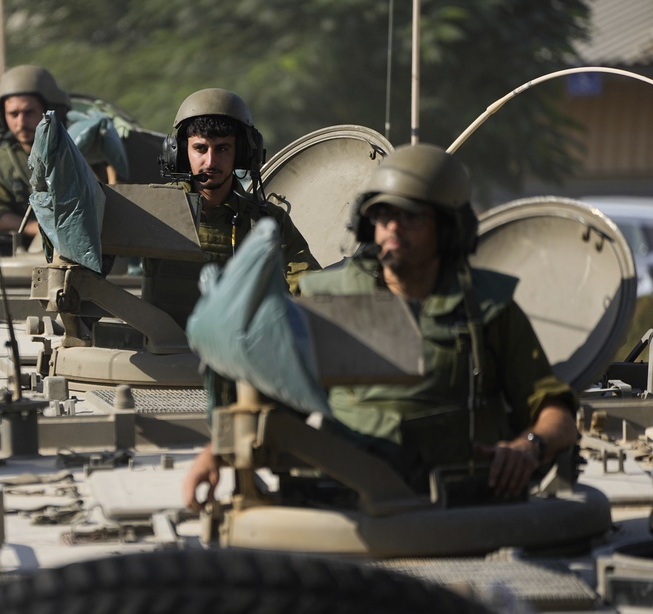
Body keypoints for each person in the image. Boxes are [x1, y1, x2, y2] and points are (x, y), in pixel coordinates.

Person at [183, 142, 578, 509]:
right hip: (349, 502)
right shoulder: (327, 299)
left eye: (410, 217)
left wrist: (530, 445)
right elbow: (276, 398)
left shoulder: (488, 308)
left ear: (447, 228)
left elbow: (555, 411)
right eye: (383, 215)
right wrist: (214, 452)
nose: (392, 228)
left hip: (463, 506)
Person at [147, 88, 319, 327]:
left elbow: (309, 285)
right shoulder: (154, 208)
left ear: (243, 154)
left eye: (222, 149)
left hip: (238, 354)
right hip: (164, 353)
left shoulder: (268, 222)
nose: (210, 161)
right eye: (200, 148)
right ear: (180, 153)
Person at [0, 65, 71, 248]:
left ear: (50, 111)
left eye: (29, 113)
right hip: (22, 255)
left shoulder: (75, 156)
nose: (21, 123)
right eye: (13, 114)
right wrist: (36, 227)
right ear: (1, 118)